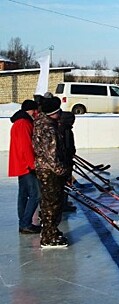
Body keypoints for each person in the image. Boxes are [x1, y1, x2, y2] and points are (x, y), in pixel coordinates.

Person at [33, 96, 70, 248]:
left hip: (46, 169)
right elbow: (51, 155)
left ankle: (50, 231)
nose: (60, 114)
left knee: (50, 202)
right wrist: (62, 171)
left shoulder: (43, 123)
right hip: (49, 171)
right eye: (58, 112)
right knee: (52, 204)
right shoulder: (48, 128)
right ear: (53, 113)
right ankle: (49, 237)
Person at [8, 99, 42, 234]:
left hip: (20, 164)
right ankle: (25, 223)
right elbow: (26, 146)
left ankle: (23, 222)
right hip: (25, 165)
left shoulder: (19, 122)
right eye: (36, 111)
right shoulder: (24, 123)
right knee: (36, 194)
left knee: (23, 194)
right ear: (32, 110)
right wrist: (32, 165)